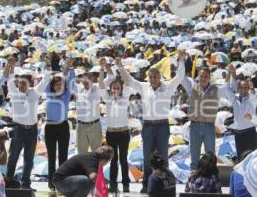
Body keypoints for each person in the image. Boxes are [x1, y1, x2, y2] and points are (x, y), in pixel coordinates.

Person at [121, 51, 186, 193]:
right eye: (150, 77)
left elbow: (180, 77)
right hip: (148, 125)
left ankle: (166, 184)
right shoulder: (144, 87)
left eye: (155, 76)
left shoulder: (168, 87)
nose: (153, 79)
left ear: (159, 76)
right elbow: (130, 80)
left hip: (162, 125)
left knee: (163, 156)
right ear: (148, 77)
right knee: (147, 157)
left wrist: (181, 60)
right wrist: (121, 67)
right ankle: (146, 184)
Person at [5, 58, 51, 189]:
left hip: (32, 130)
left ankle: (26, 183)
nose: (21, 85)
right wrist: (11, 65)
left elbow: (45, 80)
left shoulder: (35, 93)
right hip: (18, 129)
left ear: (29, 83)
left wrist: (47, 64)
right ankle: (8, 182)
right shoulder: (13, 93)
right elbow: (9, 78)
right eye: (19, 83)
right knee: (13, 157)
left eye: (23, 83)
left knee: (29, 159)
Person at [182, 67, 233, 170]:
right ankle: (194, 180)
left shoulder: (216, 89)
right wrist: (182, 61)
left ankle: (211, 178)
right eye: (201, 76)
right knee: (194, 156)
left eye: (205, 76)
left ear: (209, 77)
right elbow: (182, 78)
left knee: (210, 155)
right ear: (198, 77)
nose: (203, 78)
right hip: (195, 125)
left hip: (209, 126)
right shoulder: (192, 87)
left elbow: (227, 88)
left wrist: (229, 73)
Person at [98, 58, 131, 193]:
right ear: (110, 89)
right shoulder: (107, 99)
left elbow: (127, 81)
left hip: (123, 133)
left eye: (118, 87)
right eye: (113, 87)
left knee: (123, 159)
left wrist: (120, 67)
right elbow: (100, 83)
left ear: (121, 89)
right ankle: (113, 184)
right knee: (113, 160)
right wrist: (102, 67)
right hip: (111, 133)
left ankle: (126, 184)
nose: (116, 89)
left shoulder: (125, 98)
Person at [44, 58, 75, 190]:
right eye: (56, 84)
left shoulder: (67, 94)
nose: (58, 86)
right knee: (51, 156)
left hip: (62, 126)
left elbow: (71, 79)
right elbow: (46, 80)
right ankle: (51, 183)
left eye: (60, 84)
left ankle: (62, 183)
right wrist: (48, 65)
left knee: (63, 156)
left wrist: (70, 67)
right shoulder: (48, 93)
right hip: (50, 127)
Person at [73, 58, 113, 154]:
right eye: (84, 78)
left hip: (95, 125)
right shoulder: (77, 88)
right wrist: (69, 66)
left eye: (89, 77)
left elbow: (111, 77)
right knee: (81, 155)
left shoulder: (98, 87)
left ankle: (97, 170)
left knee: (97, 155)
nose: (87, 80)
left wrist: (104, 66)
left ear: (93, 79)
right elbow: (66, 79)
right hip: (81, 126)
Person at [223, 65, 257, 158]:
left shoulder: (252, 97)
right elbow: (226, 88)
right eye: (241, 88)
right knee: (240, 159)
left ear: (248, 89)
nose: (243, 90)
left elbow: (254, 95)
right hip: (238, 134)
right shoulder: (235, 99)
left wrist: (252, 87)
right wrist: (229, 73)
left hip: (250, 133)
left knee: (251, 160)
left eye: (246, 88)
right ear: (238, 89)